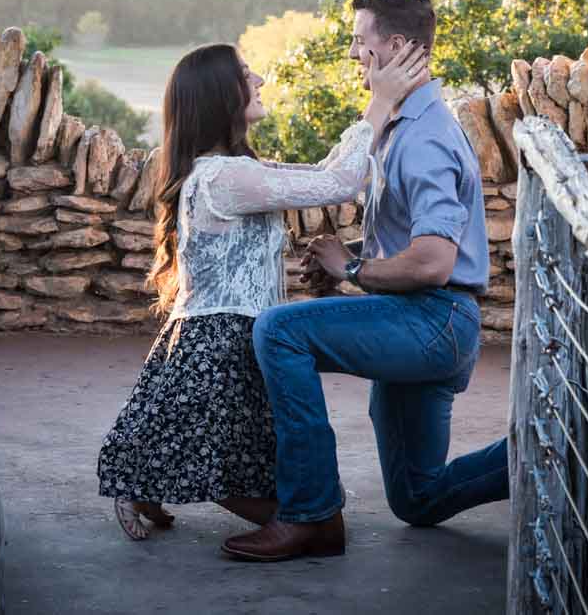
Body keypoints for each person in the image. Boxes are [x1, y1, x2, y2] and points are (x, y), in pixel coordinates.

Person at [96, 38, 429, 540]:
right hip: (219, 341)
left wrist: (378, 105)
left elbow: (326, 175)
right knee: (230, 467)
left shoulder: (237, 171)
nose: (259, 81)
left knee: (238, 454)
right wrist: (380, 101)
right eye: (246, 73)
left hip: (235, 333)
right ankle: (154, 484)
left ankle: (148, 483)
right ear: (217, 96)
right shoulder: (224, 178)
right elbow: (338, 184)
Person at [222, 0, 508, 563]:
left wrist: (353, 269)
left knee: (279, 331)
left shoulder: (425, 137)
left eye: (360, 41)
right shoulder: (403, 126)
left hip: (432, 320)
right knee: (418, 499)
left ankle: (310, 515)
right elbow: (412, 240)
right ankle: (555, 450)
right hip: (424, 320)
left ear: (397, 47)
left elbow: (432, 261)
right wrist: (351, 255)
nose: (354, 54)